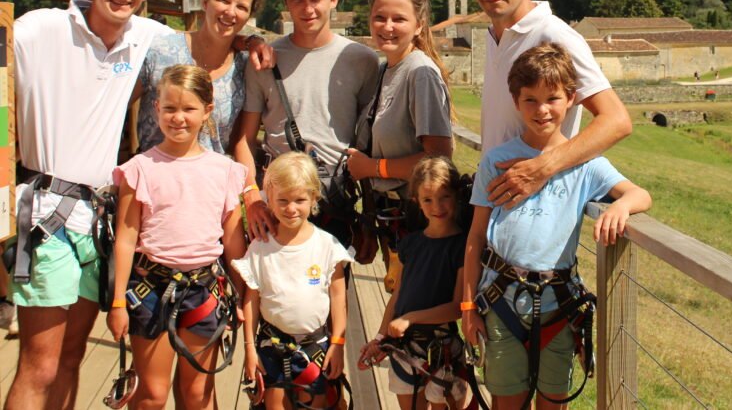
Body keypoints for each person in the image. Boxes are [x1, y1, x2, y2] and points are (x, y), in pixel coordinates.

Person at [7, 0, 176, 410]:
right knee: (39, 364)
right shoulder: (39, 28)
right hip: (46, 213)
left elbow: (208, 43)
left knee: (72, 357)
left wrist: (250, 43)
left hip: (99, 218)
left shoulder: (147, 36)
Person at [462, 43, 651, 409]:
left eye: (552, 98)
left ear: (572, 99)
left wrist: (622, 206)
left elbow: (640, 194)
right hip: (501, 300)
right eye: (530, 100)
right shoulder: (497, 161)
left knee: (554, 402)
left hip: (557, 305)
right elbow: (474, 240)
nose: (542, 110)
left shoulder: (586, 166)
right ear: (516, 102)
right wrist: (468, 307)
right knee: (506, 402)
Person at [106, 64, 248, 409]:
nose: (178, 118)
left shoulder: (226, 171)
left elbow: (233, 242)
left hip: (203, 291)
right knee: (151, 396)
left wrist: (243, 296)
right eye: (169, 108)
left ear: (207, 112)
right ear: (156, 108)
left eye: (188, 109)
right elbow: (126, 237)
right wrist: (118, 302)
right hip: (150, 289)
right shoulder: (139, 169)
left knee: (196, 395)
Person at [463, 0, 632, 209]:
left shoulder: (555, 36)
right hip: (496, 204)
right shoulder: (493, 36)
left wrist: (540, 168)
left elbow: (616, 121)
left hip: (537, 210)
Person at [235, 0, 380, 243]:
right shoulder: (265, 59)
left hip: (334, 202)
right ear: (286, 3)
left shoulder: (361, 59)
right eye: (297, 0)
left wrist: (367, 220)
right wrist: (252, 197)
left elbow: (368, 143)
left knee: (333, 288)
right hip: (277, 201)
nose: (308, 9)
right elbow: (244, 140)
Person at [134, 0, 277, 240]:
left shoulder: (245, 67)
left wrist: (250, 192)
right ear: (204, 0)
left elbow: (240, 141)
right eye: (223, 0)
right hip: (154, 195)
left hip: (210, 201)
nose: (230, 12)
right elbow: (120, 107)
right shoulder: (161, 51)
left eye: (241, 6)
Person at [343, 0, 453, 276]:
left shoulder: (420, 73)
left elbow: (438, 160)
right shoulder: (385, 70)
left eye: (399, 19)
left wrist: (372, 168)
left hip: (419, 220)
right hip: (393, 221)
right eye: (380, 17)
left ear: (419, 26)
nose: (387, 26)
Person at [234, 152, 352, 410]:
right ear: (269, 199)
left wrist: (338, 344)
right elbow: (251, 300)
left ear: (314, 198)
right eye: (282, 200)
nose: (291, 208)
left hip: (315, 346)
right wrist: (249, 349)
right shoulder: (260, 248)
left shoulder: (327, 247)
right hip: (272, 344)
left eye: (299, 200)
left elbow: (339, 297)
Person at [358, 156, 470, 410]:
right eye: (428, 199)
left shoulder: (462, 247)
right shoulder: (411, 244)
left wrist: (411, 318)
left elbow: (456, 308)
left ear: (456, 196)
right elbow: (398, 297)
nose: (437, 206)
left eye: (445, 197)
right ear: (417, 202)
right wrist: (379, 338)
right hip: (403, 347)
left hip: (441, 348)